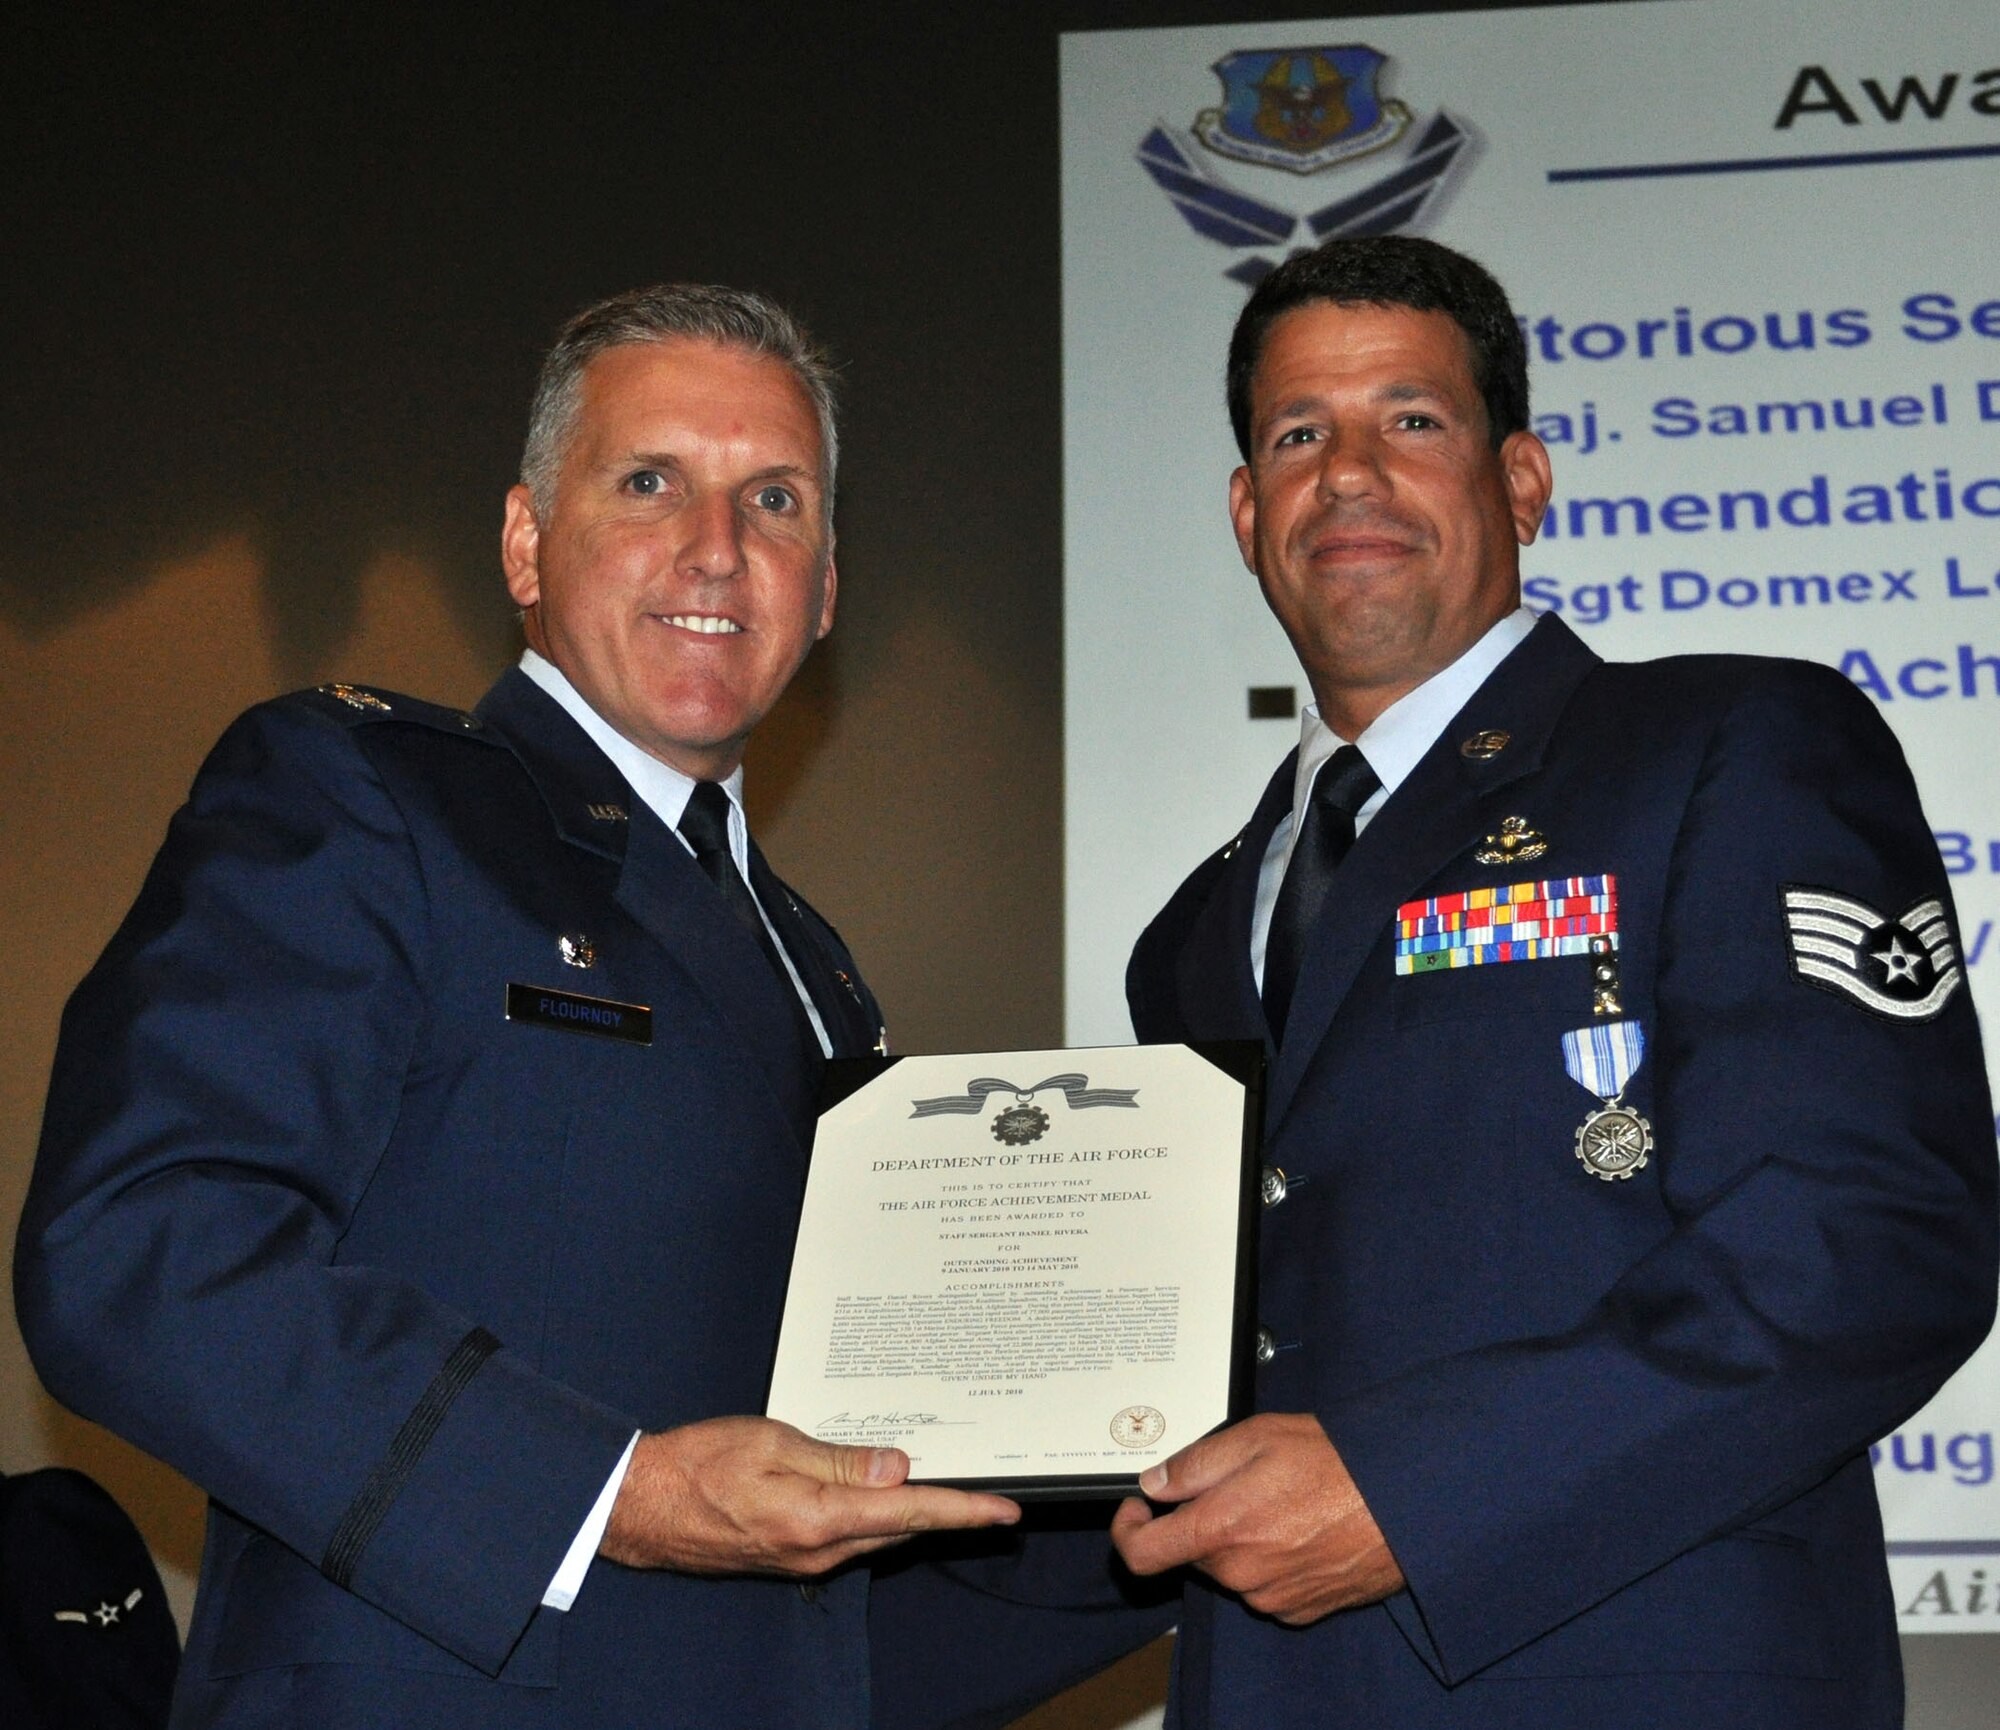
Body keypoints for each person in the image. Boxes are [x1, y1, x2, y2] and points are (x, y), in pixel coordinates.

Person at [14, 284, 1022, 1729]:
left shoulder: (812, 958)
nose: (718, 547)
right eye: (650, 480)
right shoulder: (361, 796)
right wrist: (611, 1488)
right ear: (526, 543)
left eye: (776, 499)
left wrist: (1175, 1485)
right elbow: (133, 1247)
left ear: (829, 583)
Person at [1115, 235, 1997, 1728]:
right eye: (1296, 435)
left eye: (1412, 420)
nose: (1347, 473)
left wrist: (1417, 1489)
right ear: (1245, 509)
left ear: (1519, 479)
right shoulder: (1194, 929)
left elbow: (1871, 1235)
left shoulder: (1732, 743)